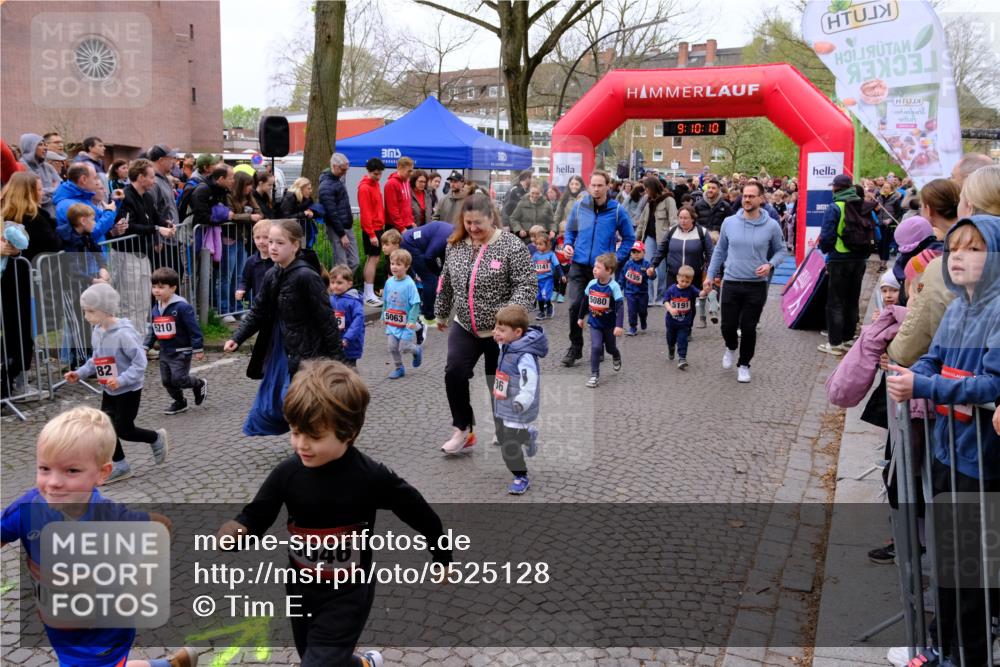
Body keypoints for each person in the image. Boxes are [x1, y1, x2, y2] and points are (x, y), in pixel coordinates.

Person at [216, 359, 450, 667]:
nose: (301, 445)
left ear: (348, 432)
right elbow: (257, 515)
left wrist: (442, 555)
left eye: (314, 437)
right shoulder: (288, 473)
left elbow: (418, 512)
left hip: (348, 593)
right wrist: (237, 531)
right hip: (300, 587)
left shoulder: (370, 477)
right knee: (313, 654)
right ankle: (363, 664)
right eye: (295, 432)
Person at [0, 406, 202, 667]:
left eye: (71, 471)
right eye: (44, 468)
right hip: (61, 631)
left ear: (102, 473)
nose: (53, 482)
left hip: (104, 635)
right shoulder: (27, 509)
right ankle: (172, 664)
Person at [886, 214, 1000, 667]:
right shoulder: (957, 306)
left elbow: (991, 385)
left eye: (973, 248)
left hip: (979, 464)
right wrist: (919, 375)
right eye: (955, 247)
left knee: (972, 581)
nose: (958, 256)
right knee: (949, 573)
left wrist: (923, 387)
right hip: (945, 453)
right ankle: (943, 653)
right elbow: (932, 358)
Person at [434, 193, 536, 453]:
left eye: (478, 222)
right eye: (468, 222)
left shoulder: (511, 246)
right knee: (454, 372)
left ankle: (503, 424)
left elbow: (526, 284)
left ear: (492, 217)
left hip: (499, 331)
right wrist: (441, 312)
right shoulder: (455, 244)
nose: (473, 228)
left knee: (497, 382)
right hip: (465, 324)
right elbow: (446, 279)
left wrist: (510, 319)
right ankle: (463, 429)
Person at [225, 219, 344, 436]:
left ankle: (315, 443)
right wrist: (238, 337)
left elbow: (326, 320)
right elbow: (259, 310)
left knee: (297, 400)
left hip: (307, 347)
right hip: (282, 346)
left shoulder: (307, 277)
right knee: (276, 402)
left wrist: (339, 360)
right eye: (270, 242)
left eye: (279, 243)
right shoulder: (273, 274)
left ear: (295, 245)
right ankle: (308, 441)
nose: (272, 247)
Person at [63, 283, 168, 483]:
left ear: (105, 310)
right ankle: (120, 465)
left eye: (91, 311)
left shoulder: (124, 334)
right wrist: (80, 373)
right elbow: (97, 359)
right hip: (108, 389)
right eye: (84, 311)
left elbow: (140, 363)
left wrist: (120, 380)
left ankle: (155, 437)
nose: (86, 316)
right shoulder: (97, 330)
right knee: (105, 428)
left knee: (124, 429)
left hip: (128, 389)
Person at [703, 181, 786, 384]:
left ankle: (744, 365)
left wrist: (770, 265)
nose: (747, 199)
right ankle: (731, 346)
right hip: (731, 281)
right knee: (728, 326)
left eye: (751, 196)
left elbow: (781, 250)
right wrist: (709, 275)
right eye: (745, 196)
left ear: (761, 199)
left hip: (756, 284)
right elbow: (720, 251)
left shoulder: (771, 225)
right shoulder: (730, 222)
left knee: (748, 328)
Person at [560, 170, 635, 367]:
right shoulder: (579, 206)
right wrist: (568, 244)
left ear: (608, 186)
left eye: (600, 185)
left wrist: (615, 259)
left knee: (602, 309)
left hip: (603, 270)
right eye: (593, 185)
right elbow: (570, 230)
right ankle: (575, 347)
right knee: (575, 305)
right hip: (579, 264)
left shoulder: (617, 210)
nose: (596, 189)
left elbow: (629, 238)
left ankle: (600, 344)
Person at [492, 304, 547, 495]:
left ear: (517, 332)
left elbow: (529, 381)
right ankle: (527, 435)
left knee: (508, 445)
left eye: (501, 329)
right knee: (504, 435)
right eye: (496, 327)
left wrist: (522, 401)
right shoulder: (509, 344)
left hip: (517, 406)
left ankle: (520, 476)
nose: (496, 332)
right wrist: (500, 337)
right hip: (505, 401)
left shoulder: (524, 356)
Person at [817, 175, 874, 356]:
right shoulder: (864, 205)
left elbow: (827, 236)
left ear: (836, 188)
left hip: (840, 259)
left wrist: (827, 251)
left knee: (835, 302)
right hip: (859, 259)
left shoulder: (835, 207)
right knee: (852, 299)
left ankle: (835, 343)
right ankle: (849, 339)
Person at [142, 267, 207, 415]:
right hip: (165, 351)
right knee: (167, 381)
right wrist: (146, 346)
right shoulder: (156, 307)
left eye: (161, 287)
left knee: (179, 379)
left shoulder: (183, 307)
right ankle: (180, 402)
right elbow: (154, 329)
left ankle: (199, 384)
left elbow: (194, 329)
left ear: (173, 288)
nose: (156, 291)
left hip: (181, 351)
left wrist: (198, 348)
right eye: (154, 287)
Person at [647, 203, 714, 327]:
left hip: (692, 275)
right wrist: (653, 265)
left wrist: (711, 272)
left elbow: (711, 253)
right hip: (674, 274)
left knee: (689, 303)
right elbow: (661, 249)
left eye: (686, 218)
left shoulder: (702, 232)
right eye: (680, 218)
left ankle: (686, 328)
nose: (682, 221)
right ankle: (673, 327)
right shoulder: (672, 231)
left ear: (693, 218)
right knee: (672, 301)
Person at [578, 252, 624, 388]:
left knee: (610, 348)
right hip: (595, 323)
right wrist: (581, 317)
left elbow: (620, 307)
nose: (594, 269)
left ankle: (616, 355)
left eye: (598, 267)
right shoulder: (591, 284)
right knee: (596, 347)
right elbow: (585, 301)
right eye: (594, 267)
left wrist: (619, 325)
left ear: (608, 270)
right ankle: (594, 375)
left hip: (609, 325)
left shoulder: (614, 287)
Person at [116, 158, 174, 262]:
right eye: (152, 177)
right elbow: (130, 226)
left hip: (144, 252)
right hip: (128, 254)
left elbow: (154, 217)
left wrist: (166, 224)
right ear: (141, 178)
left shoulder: (147, 196)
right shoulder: (125, 197)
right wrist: (157, 229)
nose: (154, 181)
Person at [399, 219, 453, 323]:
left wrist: (442, 272)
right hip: (410, 244)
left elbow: (443, 255)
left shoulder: (451, 232)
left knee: (434, 277)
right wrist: (437, 272)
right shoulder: (445, 236)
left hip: (415, 243)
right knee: (431, 279)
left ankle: (423, 307)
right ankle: (428, 315)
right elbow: (429, 256)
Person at [53, 162, 121, 244]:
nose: (96, 182)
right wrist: (110, 212)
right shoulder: (69, 205)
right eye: (95, 178)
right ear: (84, 179)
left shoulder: (83, 199)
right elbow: (92, 232)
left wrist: (116, 202)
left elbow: (101, 217)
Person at [634, 175, 678, 303]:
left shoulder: (668, 200)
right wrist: (637, 239)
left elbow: (674, 221)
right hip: (649, 237)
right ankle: (648, 297)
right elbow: (643, 221)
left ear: (652, 187)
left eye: (647, 188)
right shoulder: (649, 200)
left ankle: (661, 297)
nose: (645, 191)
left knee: (661, 269)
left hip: (663, 239)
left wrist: (671, 239)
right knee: (647, 266)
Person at [381, 248, 423, 379]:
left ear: (406, 267)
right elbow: (386, 301)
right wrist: (383, 315)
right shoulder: (389, 282)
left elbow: (416, 303)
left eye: (398, 264)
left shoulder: (410, 284)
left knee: (403, 347)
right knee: (392, 347)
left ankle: (416, 350)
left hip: (406, 323)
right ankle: (399, 368)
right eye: (392, 263)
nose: (394, 267)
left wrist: (412, 320)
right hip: (393, 322)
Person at [2, 171, 61, 261]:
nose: (43, 193)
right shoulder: (34, 219)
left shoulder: (4, 214)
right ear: (29, 194)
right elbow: (53, 246)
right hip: (32, 272)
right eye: (40, 189)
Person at [318, 153, 358, 270]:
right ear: (334, 166)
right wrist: (342, 234)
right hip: (336, 228)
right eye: (343, 169)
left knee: (354, 261)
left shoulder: (338, 180)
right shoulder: (326, 186)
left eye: (346, 169)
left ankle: (341, 284)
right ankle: (337, 286)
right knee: (342, 264)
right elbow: (332, 213)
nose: (345, 172)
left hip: (346, 226)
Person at [358, 157, 386, 306]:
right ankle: (368, 294)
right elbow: (365, 212)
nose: (378, 177)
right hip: (372, 229)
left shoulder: (374, 185)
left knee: (374, 259)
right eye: (375, 174)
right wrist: (371, 234)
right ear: (368, 171)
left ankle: (369, 293)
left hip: (377, 227)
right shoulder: (365, 188)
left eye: (380, 173)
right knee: (373, 259)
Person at [663, 265, 702, 370]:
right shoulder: (671, 289)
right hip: (671, 322)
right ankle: (671, 348)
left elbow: (700, 293)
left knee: (682, 339)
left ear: (691, 280)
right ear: (677, 278)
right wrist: (670, 309)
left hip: (685, 322)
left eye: (687, 282)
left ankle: (682, 358)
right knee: (670, 339)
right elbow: (665, 301)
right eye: (682, 281)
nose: (684, 284)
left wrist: (706, 291)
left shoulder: (691, 289)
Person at [327, 264, 365, 368]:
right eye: (332, 282)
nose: (335, 286)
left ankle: (354, 384)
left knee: (349, 370)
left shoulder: (354, 302)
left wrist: (347, 338)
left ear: (349, 284)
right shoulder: (330, 299)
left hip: (350, 344)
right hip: (335, 342)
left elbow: (358, 321)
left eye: (339, 283)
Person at [17, 133, 61, 215]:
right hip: (31, 214)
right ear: (30, 147)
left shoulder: (48, 167)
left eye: (45, 145)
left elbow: (61, 188)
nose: (45, 148)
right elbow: (32, 194)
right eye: (40, 145)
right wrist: (53, 190)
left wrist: (45, 191)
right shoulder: (20, 167)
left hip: (54, 214)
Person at [236, 219, 273, 308]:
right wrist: (241, 289)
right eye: (257, 237)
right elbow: (245, 280)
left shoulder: (279, 261)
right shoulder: (251, 261)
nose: (261, 241)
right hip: (258, 304)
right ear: (253, 238)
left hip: (277, 305)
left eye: (265, 237)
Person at [622, 240, 651, 336]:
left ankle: (643, 319)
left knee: (642, 311)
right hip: (630, 293)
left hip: (642, 293)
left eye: (639, 252)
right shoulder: (628, 264)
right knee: (631, 311)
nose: (636, 254)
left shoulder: (646, 264)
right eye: (633, 252)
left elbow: (652, 276)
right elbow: (622, 276)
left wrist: (651, 273)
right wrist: (619, 286)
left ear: (644, 252)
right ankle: (632, 327)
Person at [531, 231, 561, 320]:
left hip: (548, 279)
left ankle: (549, 306)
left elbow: (557, 265)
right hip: (538, 279)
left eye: (540, 244)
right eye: (537, 244)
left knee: (545, 294)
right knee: (539, 296)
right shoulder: (535, 255)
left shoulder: (551, 254)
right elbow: (531, 266)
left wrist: (562, 275)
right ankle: (542, 312)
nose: (538, 246)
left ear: (547, 244)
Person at [384, 156, 415, 232]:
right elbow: (392, 209)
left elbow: (407, 205)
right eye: (409, 171)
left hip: (407, 224)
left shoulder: (407, 182)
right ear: (400, 168)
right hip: (396, 227)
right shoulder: (391, 184)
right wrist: (401, 228)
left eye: (412, 171)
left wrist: (411, 221)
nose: (411, 174)